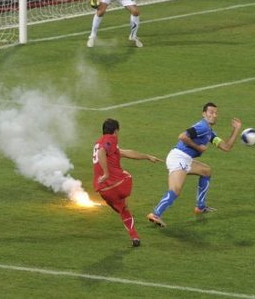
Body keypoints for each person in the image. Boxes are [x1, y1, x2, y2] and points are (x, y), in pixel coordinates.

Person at [147, 103, 242, 227]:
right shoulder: (202, 127)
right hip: (178, 157)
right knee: (175, 190)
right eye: (211, 112)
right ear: (204, 114)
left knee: (206, 171)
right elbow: (182, 136)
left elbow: (226, 147)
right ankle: (155, 214)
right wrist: (198, 147)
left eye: (216, 113)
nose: (214, 115)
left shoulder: (209, 132)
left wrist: (236, 129)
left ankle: (200, 207)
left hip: (185, 159)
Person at [93, 118, 161, 247]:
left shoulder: (100, 143)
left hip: (104, 191)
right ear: (116, 131)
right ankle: (133, 233)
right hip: (119, 185)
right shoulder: (110, 139)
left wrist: (147, 156)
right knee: (126, 174)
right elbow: (102, 151)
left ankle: (134, 237)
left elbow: (126, 153)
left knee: (123, 209)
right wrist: (107, 174)